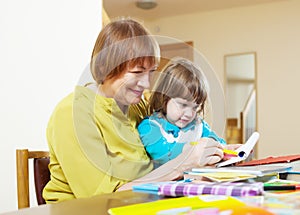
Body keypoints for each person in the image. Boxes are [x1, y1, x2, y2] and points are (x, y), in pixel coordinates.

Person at [43, 18, 225, 203]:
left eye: (151, 72)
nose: (147, 83)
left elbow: (166, 150)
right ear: (104, 67)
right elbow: (101, 199)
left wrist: (214, 152)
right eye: (137, 72)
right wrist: (181, 165)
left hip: (144, 201)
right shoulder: (72, 113)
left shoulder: (137, 106)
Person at [138, 57, 227, 168]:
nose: (189, 114)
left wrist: (223, 149)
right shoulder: (149, 127)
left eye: (195, 108)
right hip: (165, 184)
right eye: (183, 105)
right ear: (164, 97)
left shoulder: (197, 125)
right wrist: (193, 149)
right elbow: (166, 155)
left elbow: (216, 141)